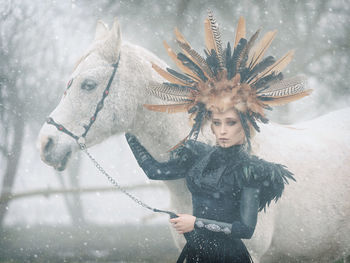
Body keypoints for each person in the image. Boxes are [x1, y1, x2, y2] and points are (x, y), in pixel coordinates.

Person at [126, 11, 311, 263]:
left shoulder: (250, 170)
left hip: (229, 256)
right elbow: (155, 171)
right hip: (195, 253)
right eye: (217, 123)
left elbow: (245, 229)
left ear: (245, 125)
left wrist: (196, 223)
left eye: (231, 122)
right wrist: (130, 127)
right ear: (210, 125)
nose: (222, 130)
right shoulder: (198, 156)